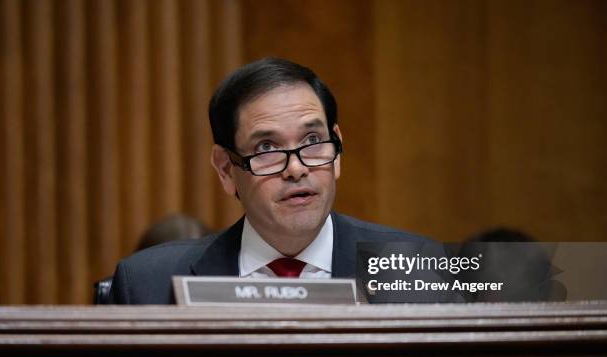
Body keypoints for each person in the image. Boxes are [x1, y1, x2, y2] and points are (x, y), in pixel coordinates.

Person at [109, 58, 454, 304]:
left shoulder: (421, 270)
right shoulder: (147, 285)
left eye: (312, 141)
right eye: (267, 147)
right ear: (226, 169)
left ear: (337, 150)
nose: (296, 169)